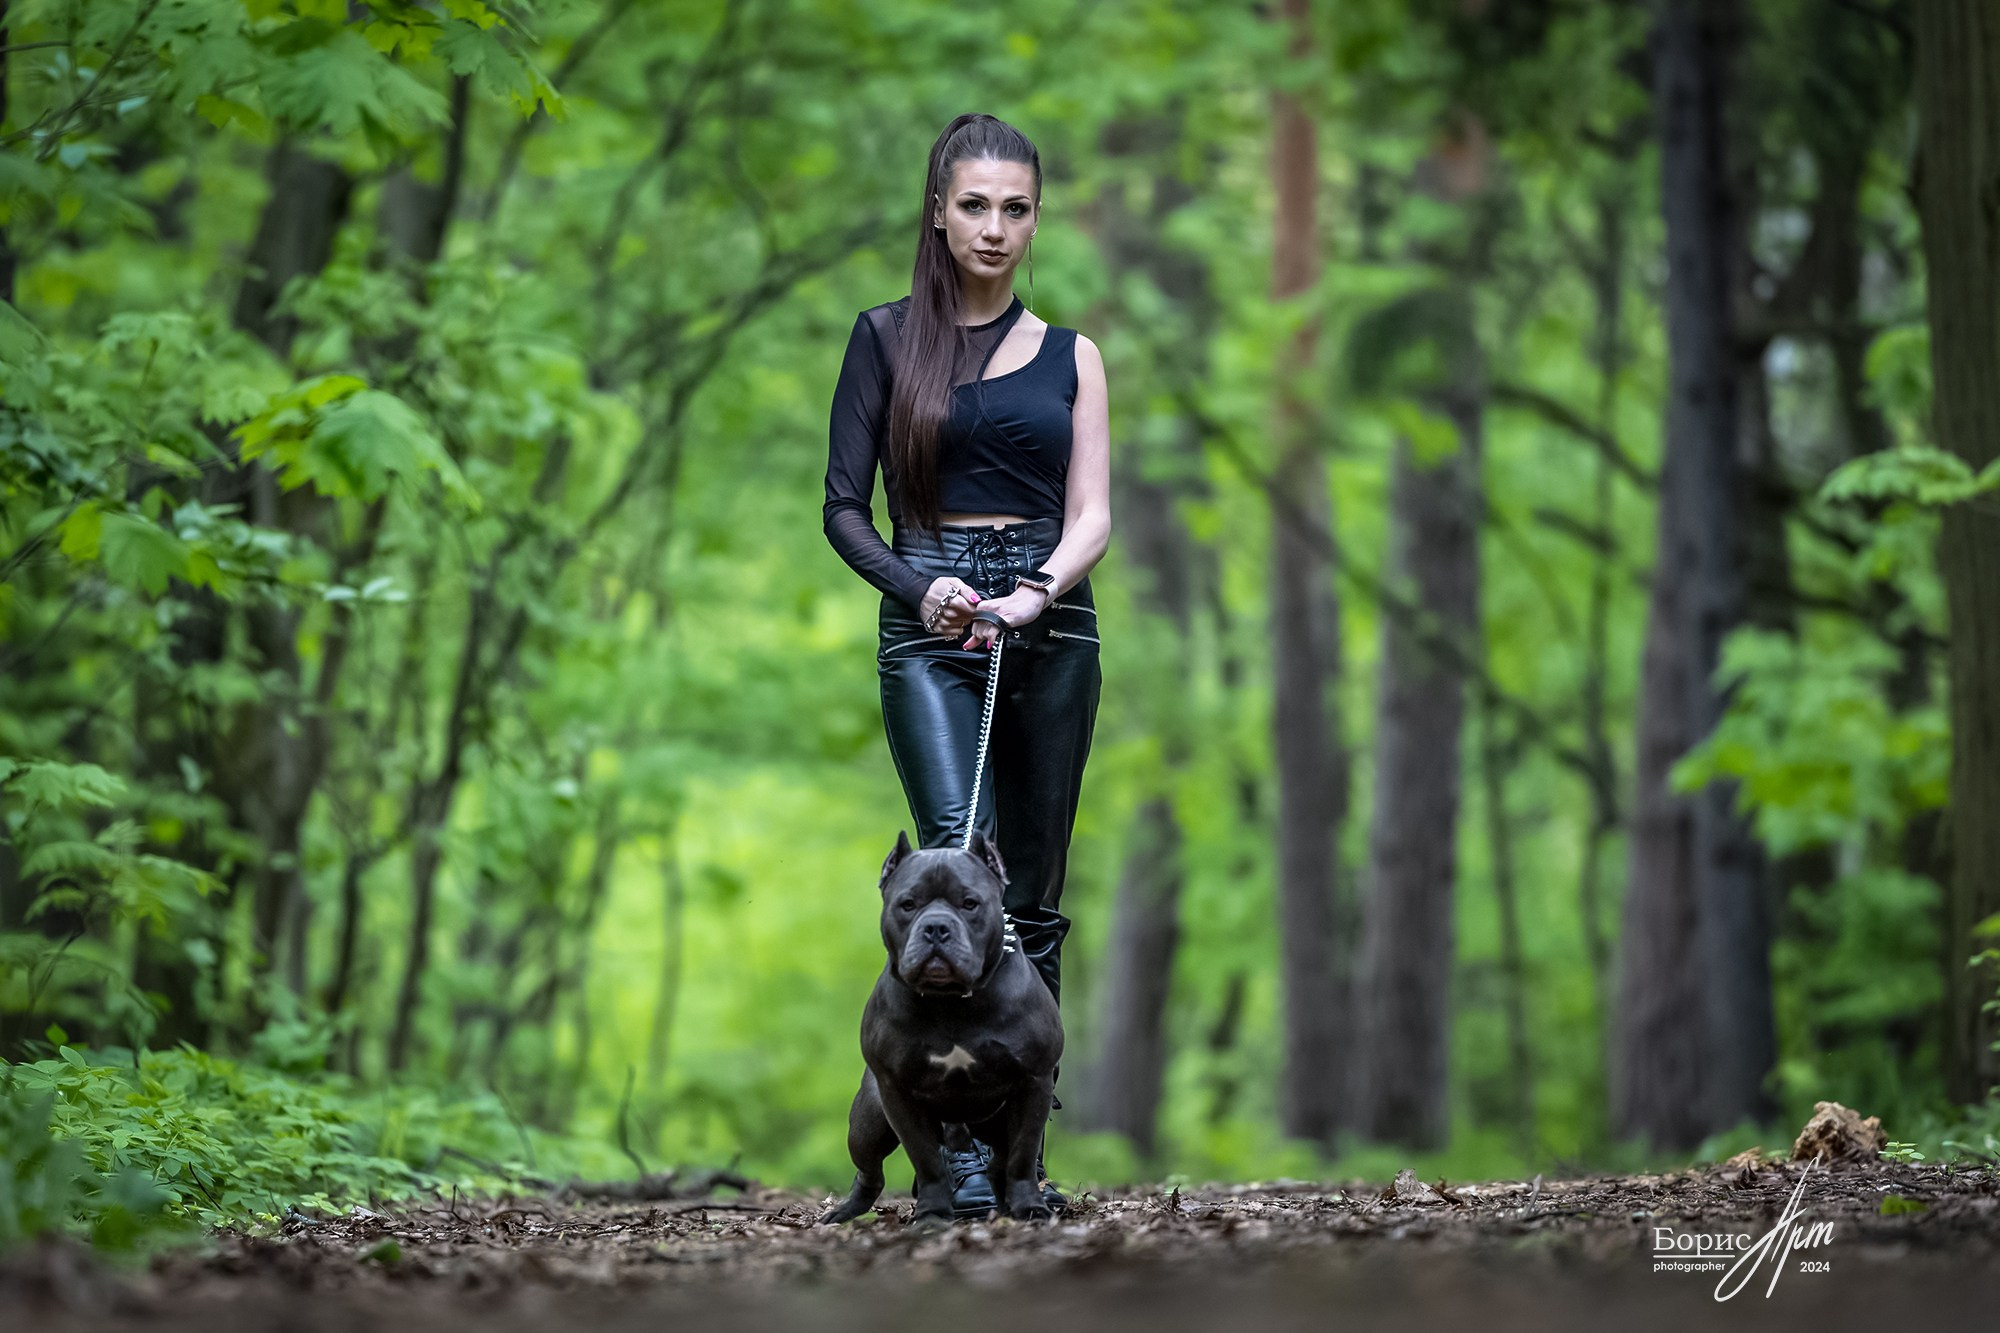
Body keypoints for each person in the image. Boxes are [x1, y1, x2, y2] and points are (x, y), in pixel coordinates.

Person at [822, 113, 1111, 1218]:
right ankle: (949, 1148)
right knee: (957, 866)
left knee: (1028, 900)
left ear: (1034, 219)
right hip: (927, 625)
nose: (994, 228)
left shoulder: (1074, 354)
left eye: (1016, 208)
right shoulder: (883, 339)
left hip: (1051, 623)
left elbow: (1090, 513)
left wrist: (1037, 590)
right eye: (974, 205)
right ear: (938, 212)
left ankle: (1016, 1148)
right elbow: (844, 511)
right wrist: (921, 588)